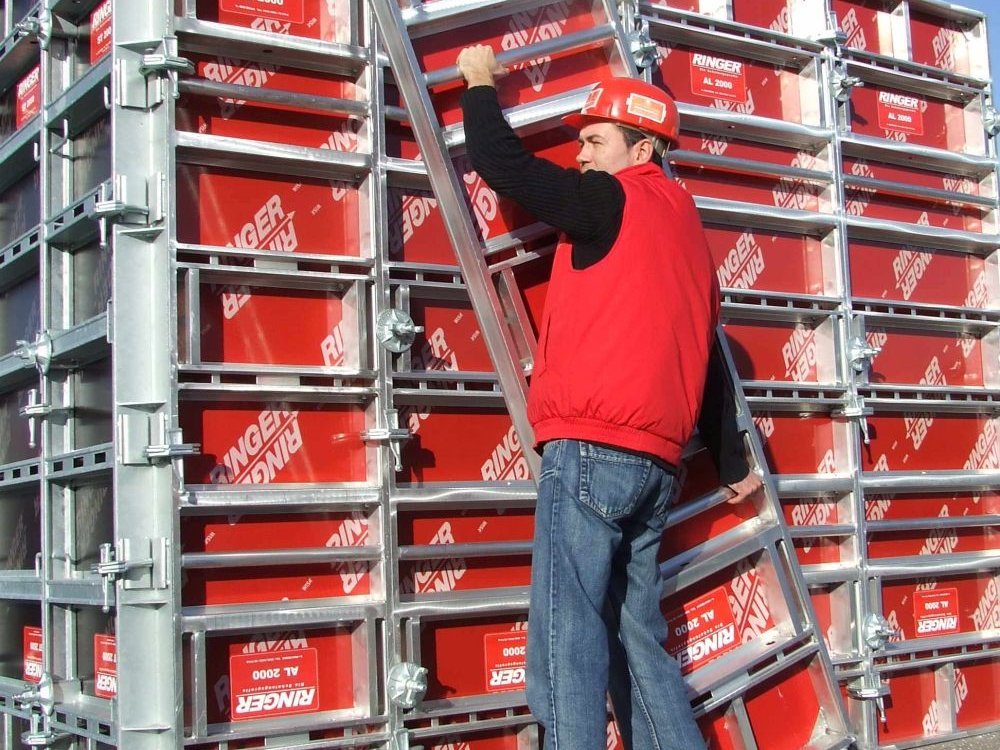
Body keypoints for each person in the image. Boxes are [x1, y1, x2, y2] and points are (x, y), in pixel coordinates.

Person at [456, 45, 763, 750]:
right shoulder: (686, 230)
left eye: (595, 141)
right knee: (635, 637)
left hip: (592, 451)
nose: (582, 156)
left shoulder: (611, 199)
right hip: (655, 468)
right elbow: (706, 353)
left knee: (566, 638)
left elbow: (506, 168)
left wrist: (477, 84)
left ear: (642, 149)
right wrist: (733, 459)